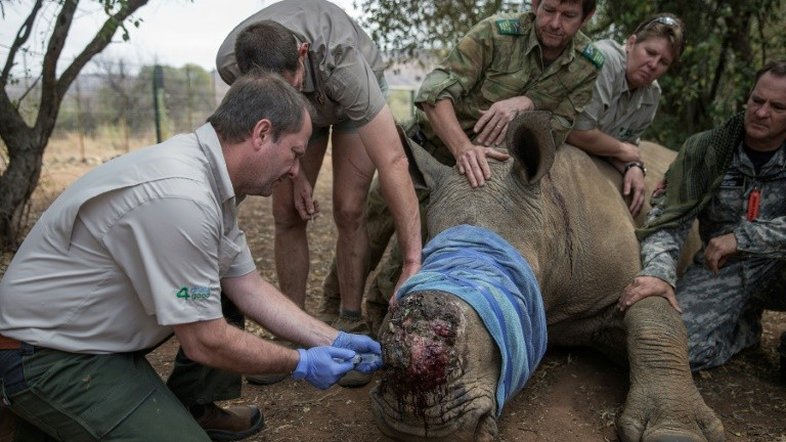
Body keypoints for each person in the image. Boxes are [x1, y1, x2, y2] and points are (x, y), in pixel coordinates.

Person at [0, 73, 383, 442]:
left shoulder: (208, 174)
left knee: (216, 292)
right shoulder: (182, 197)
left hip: (90, 339)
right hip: (45, 354)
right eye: (295, 153)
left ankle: (181, 409)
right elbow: (205, 341)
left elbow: (247, 286)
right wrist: (299, 362)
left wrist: (333, 338)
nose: (296, 170)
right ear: (262, 133)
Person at [336, 0, 602, 333]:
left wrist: (528, 103)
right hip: (432, 152)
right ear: (534, 3)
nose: (554, 23)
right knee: (368, 230)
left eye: (568, 16)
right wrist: (462, 148)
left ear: (587, 17)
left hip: (484, 176)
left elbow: (562, 124)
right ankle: (335, 310)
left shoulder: (588, 63)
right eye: (548, 10)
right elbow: (433, 93)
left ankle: (380, 321)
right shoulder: (494, 34)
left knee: (418, 248)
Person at [215, 0, 422, 342]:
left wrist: (413, 261)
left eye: (288, 84)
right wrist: (295, 171)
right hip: (291, 113)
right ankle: (289, 328)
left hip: (346, 106)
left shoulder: (343, 61)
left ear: (302, 53)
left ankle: (351, 319)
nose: (287, 93)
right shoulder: (230, 61)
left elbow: (393, 161)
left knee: (349, 208)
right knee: (286, 212)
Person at [618, 60, 786, 373]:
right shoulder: (707, 148)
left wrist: (741, 238)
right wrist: (658, 272)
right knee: (673, 352)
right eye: (757, 101)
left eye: (777, 107)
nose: (762, 113)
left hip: (780, 267)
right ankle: (743, 329)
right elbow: (668, 220)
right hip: (722, 268)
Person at [566, 13, 686, 216]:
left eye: (663, 62)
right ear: (631, 43)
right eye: (649, 52)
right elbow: (576, 131)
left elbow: (629, 145)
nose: (653, 64)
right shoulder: (603, 60)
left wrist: (633, 165)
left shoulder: (652, 94)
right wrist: (623, 150)